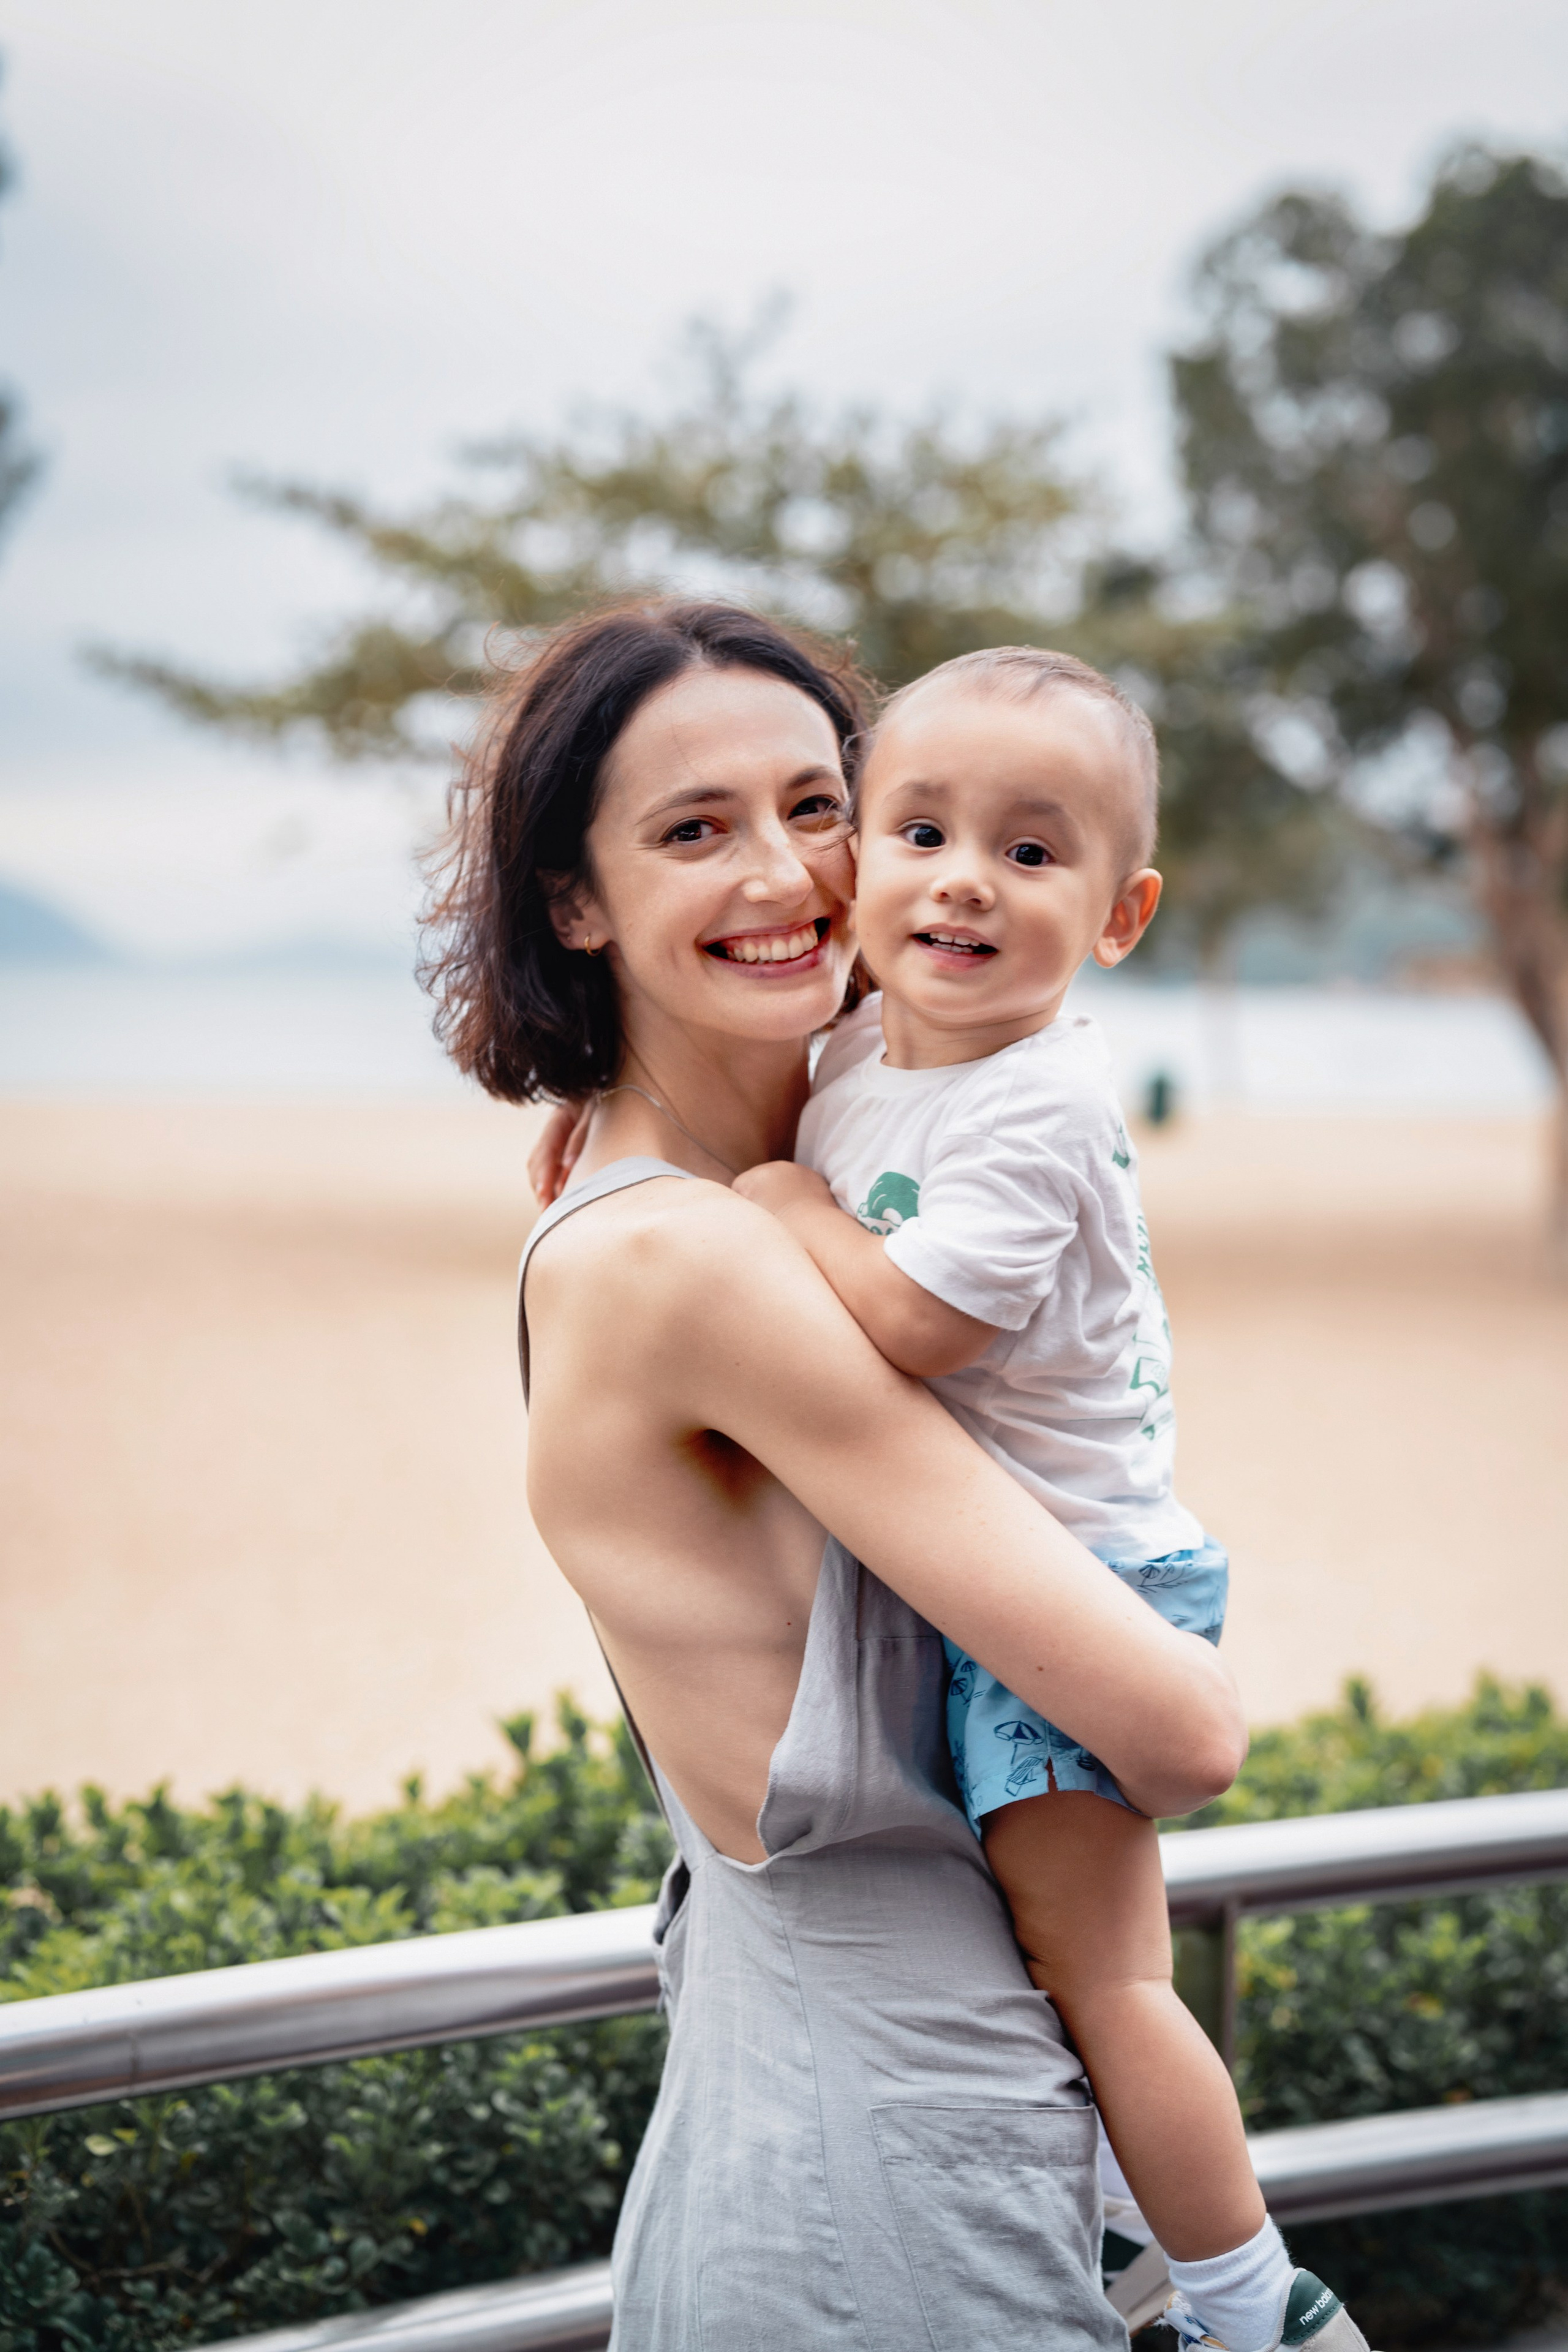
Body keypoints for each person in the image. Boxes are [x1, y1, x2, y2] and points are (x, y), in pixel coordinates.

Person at [425, 597, 1246, 2351]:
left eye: (819, 807)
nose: (791, 874)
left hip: (894, 2140)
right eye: (692, 830)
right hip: (884, 2186)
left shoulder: (774, 1182)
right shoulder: (696, 1257)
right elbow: (1180, 1734)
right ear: (576, 904)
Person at [734, 647, 1369, 2352]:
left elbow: (921, 1324)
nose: (962, 879)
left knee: (1103, 1973)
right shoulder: (876, 1035)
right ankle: (1114, 2227)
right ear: (855, 861)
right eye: (920, 829)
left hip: (1086, 1590)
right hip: (1015, 1571)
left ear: (1120, 913)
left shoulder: (1038, 1101)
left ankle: (1256, 2302)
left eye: (1030, 852)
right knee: (1026, 1957)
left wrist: (790, 1210)